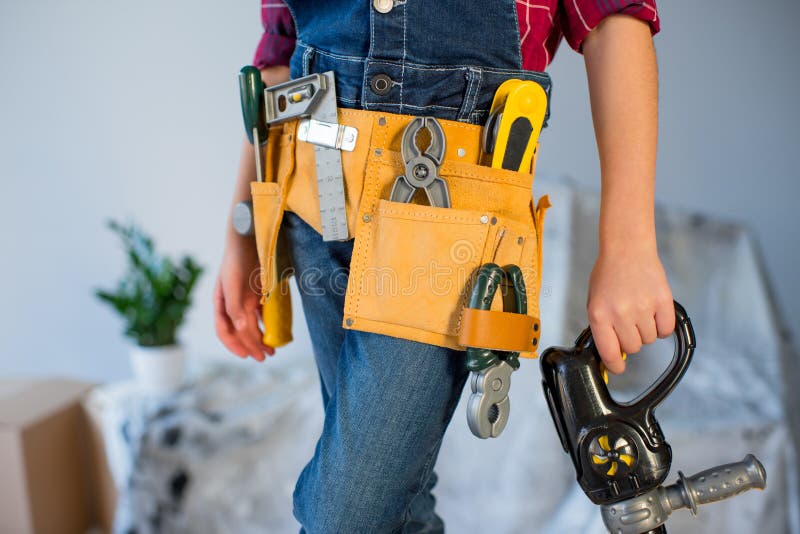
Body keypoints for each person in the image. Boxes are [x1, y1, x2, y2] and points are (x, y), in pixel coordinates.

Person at [214, 1, 675, 532]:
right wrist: (243, 233)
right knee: (398, 511)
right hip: (313, 204)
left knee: (347, 515)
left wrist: (629, 246)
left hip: (452, 217)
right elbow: (280, 53)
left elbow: (614, 19)